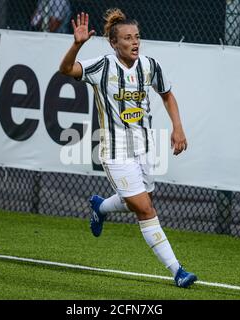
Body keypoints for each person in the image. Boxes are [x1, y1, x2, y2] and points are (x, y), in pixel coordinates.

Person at [58, 9, 197, 289]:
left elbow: (167, 94)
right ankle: (177, 270)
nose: (135, 42)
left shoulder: (150, 66)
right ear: (113, 43)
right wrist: (77, 44)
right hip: (115, 152)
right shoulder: (102, 66)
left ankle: (101, 207)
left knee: (134, 199)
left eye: (137, 37)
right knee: (145, 209)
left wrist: (178, 127)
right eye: (127, 38)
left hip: (144, 149)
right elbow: (66, 70)